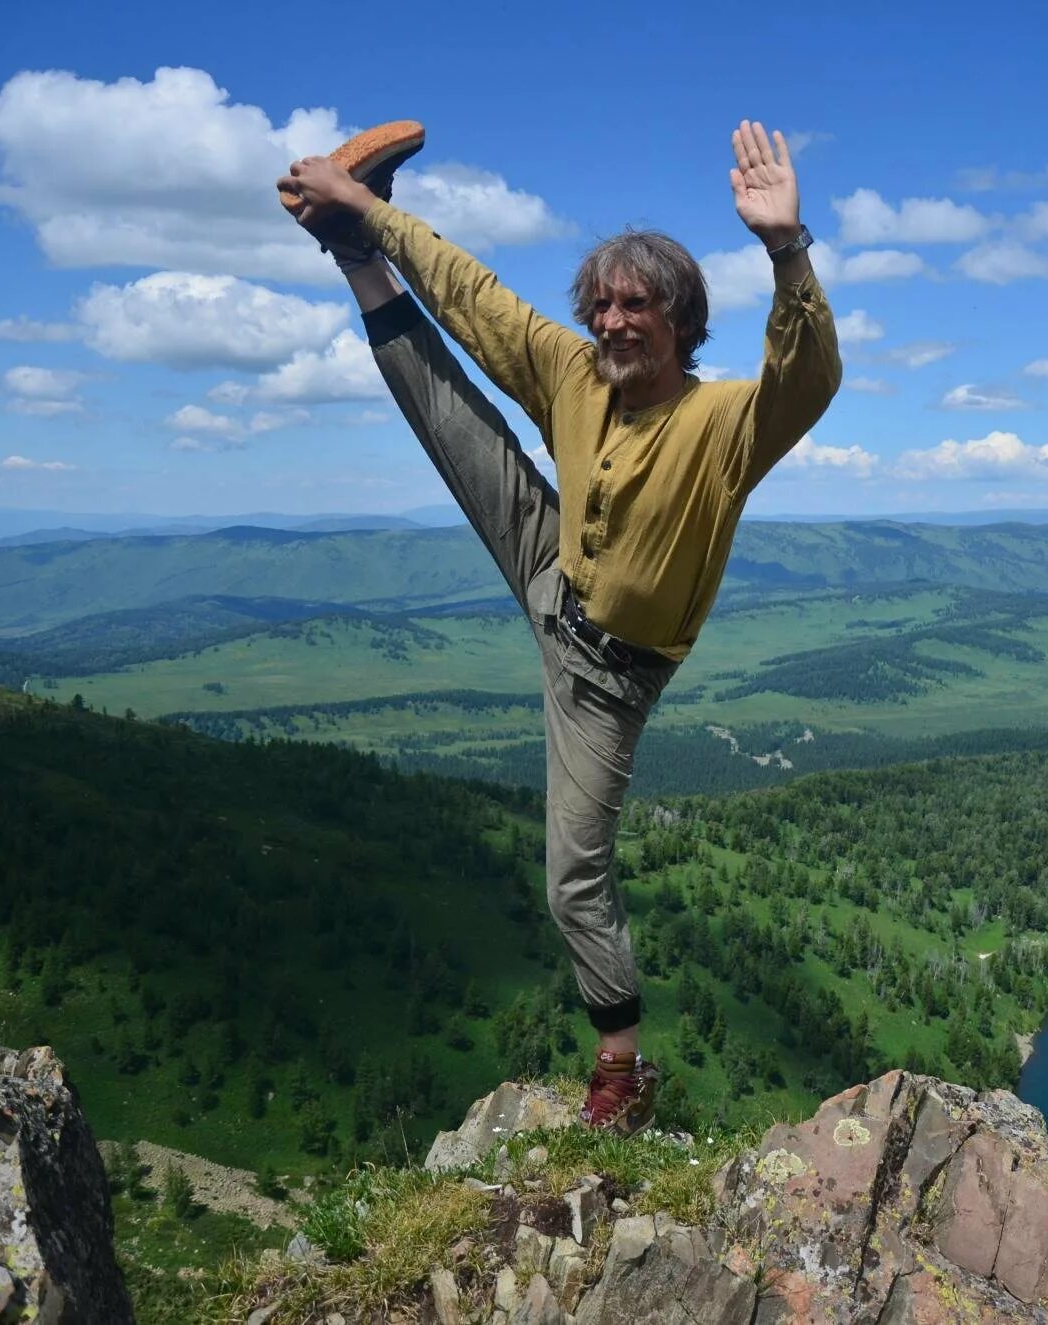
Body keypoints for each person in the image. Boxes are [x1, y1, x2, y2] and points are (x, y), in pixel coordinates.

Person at [277, 120, 840, 1134]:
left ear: (682, 324)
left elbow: (807, 376)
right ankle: (353, 254)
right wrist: (373, 215)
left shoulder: (725, 426)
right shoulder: (574, 373)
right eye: (605, 304)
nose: (616, 322)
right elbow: (477, 301)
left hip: (607, 674)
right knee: (453, 417)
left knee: (570, 876)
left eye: (640, 306)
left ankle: (620, 1065)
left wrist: (784, 246)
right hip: (551, 565)